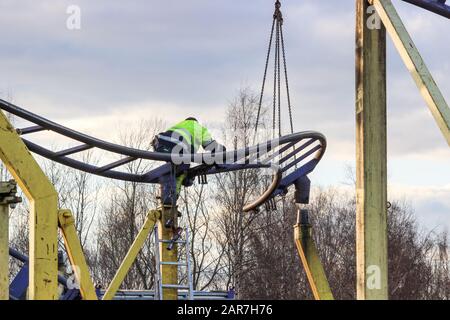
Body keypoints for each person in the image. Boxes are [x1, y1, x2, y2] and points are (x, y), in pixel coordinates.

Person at [152, 117, 225, 204]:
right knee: (183, 166)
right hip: (178, 143)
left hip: (159, 142)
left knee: (175, 167)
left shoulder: (179, 124)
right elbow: (209, 145)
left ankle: (169, 189)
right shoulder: (198, 127)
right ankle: (173, 189)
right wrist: (222, 150)